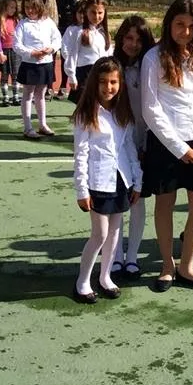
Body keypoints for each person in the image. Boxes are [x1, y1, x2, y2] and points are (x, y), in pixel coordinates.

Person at [141, 0, 193, 292]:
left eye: (190, 26)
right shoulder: (154, 57)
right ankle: (167, 266)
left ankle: (187, 266)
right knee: (165, 203)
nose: (185, 32)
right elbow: (151, 109)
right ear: (169, 24)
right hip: (166, 143)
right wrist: (178, 148)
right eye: (179, 24)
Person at [71, 57, 143, 304]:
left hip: (121, 180)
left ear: (120, 84)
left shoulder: (122, 114)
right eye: (103, 82)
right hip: (98, 182)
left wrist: (137, 181)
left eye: (113, 82)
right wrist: (81, 189)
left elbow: (129, 149)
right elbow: (81, 155)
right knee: (100, 234)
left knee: (114, 233)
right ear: (94, 83)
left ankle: (105, 277)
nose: (108, 87)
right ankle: (83, 281)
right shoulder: (86, 115)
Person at [111, 15, 156, 279]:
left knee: (138, 200)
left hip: (143, 143)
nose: (133, 44)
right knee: (117, 201)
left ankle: (132, 257)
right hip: (116, 146)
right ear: (120, 38)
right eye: (128, 38)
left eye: (139, 40)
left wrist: (145, 144)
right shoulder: (110, 66)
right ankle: (115, 256)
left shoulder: (149, 67)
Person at [13, 0, 62, 139]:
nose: (30, 10)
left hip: (45, 63)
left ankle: (42, 124)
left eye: (33, 7)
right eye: (27, 7)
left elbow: (57, 39)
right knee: (28, 94)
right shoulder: (22, 24)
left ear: (40, 7)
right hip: (29, 64)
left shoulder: (48, 22)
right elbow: (17, 45)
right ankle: (28, 127)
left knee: (41, 94)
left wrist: (50, 49)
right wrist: (31, 53)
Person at [36, 0, 77, 98]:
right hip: (47, 26)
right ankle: (49, 86)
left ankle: (63, 85)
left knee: (65, 55)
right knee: (49, 56)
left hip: (64, 25)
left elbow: (74, 6)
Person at [64, 0, 112, 104]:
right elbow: (72, 55)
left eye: (100, 13)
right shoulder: (79, 32)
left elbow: (109, 55)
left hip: (101, 73)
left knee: (99, 105)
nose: (97, 16)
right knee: (85, 106)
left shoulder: (104, 34)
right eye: (93, 12)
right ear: (86, 12)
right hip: (84, 75)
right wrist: (71, 76)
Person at [0, 0, 21, 107]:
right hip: (4, 52)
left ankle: (16, 96)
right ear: (5, 7)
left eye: (15, 8)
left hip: (15, 51)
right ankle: (5, 97)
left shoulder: (16, 20)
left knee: (15, 75)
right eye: (11, 7)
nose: (14, 10)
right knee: (4, 75)